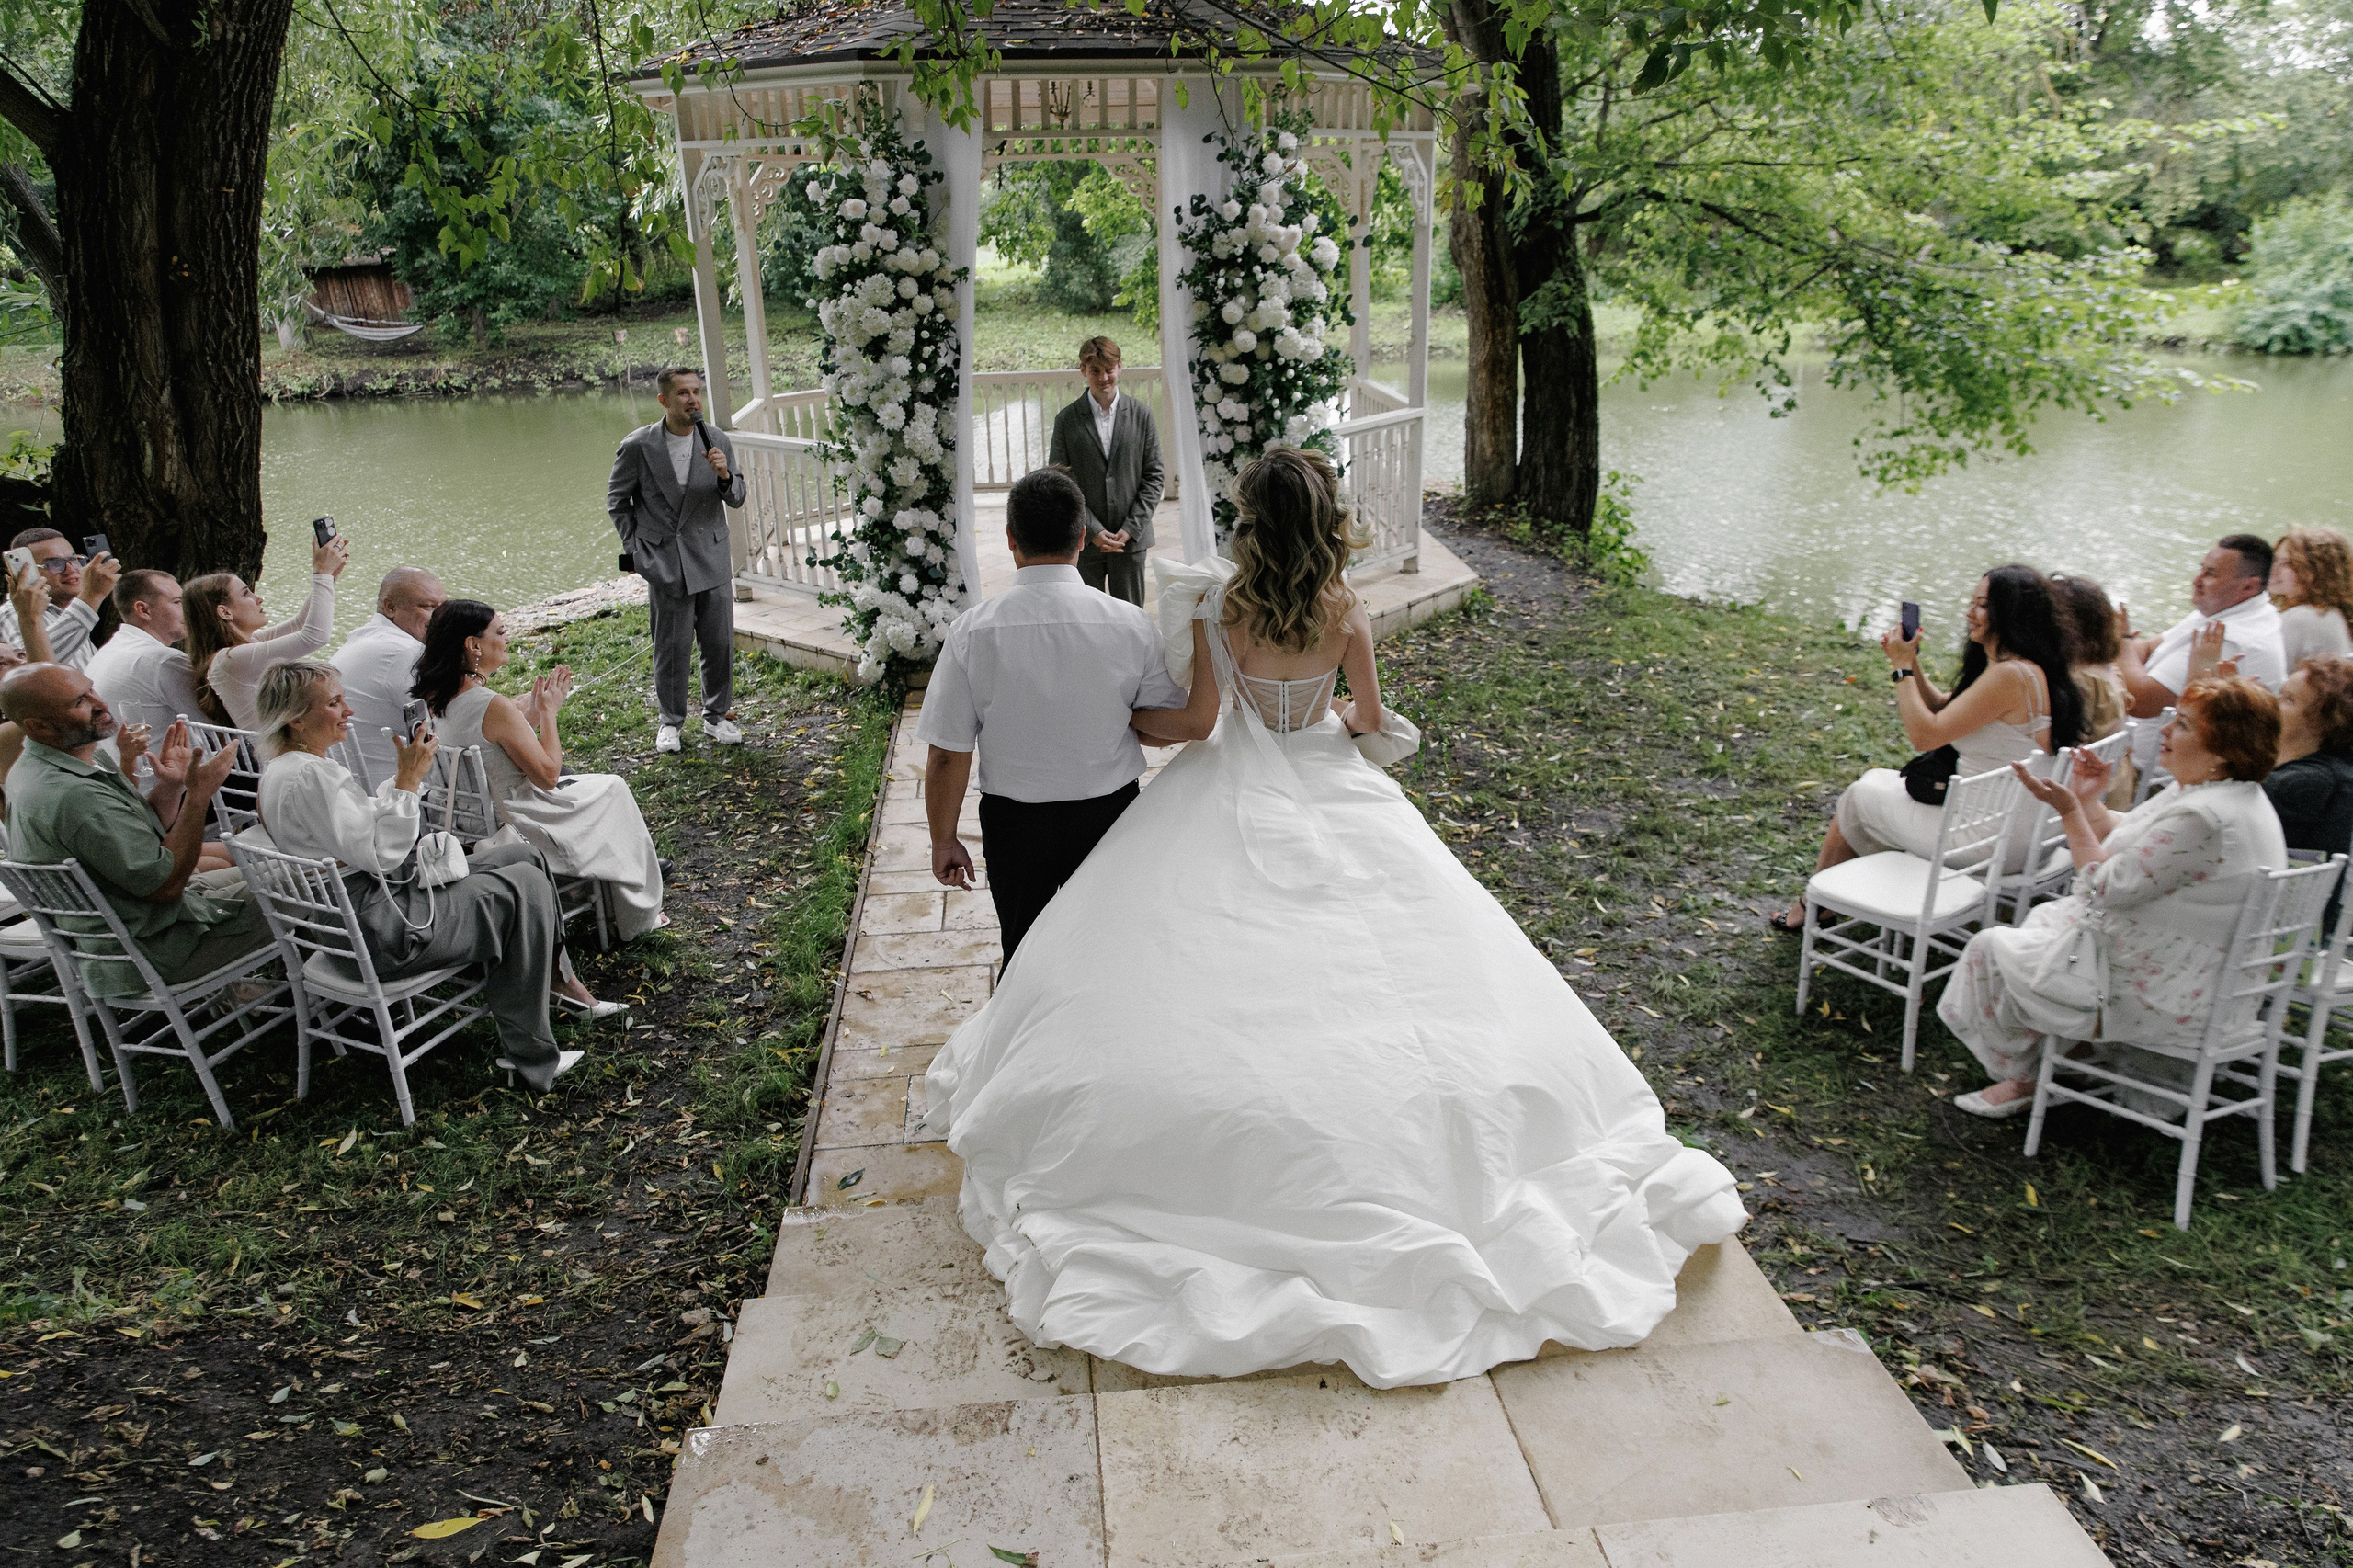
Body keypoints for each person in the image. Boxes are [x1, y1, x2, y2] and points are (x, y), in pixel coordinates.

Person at [921, 448, 1745, 1390]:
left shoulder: (1222, 607)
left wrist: (1134, 728)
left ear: (1250, 524)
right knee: (1395, 961)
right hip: (1324, 771)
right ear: (1324, 520)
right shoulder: (1345, 606)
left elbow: (1198, 716)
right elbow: (1366, 715)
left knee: (1187, 954)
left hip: (1231, 778)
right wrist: (1335, 725)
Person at [252, 663, 618, 1092]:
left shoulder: (283, 769)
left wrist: (407, 778)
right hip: (382, 929)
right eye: (334, 703)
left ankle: (557, 984)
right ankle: (529, 1056)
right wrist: (408, 781)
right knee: (529, 885)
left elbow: (356, 830)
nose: (348, 710)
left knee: (523, 856)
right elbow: (382, 856)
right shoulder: (312, 775)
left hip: (355, 916)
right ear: (296, 718)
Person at [1938, 677, 2289, 1117]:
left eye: (2181, 725)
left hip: (2174, 989)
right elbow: (2135, 847)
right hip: (2200, 971)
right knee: (2049, 921)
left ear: (2222, 750)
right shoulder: (2224, 794)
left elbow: (2104, 888)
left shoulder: (2206, 817)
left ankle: (2026, 1076)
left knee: (1991, 947)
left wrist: (2069, 812)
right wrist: (2090, 802)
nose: (2163, 731)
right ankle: (2066, 1057)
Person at [919, 467, 1187, 965]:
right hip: (1111, 817)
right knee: (1111, 952)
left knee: (1025, 958)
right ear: (1082, 538)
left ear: (1010, 539)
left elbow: (947, 753)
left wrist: (943, 838)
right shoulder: (1130, 623)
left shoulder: (972, 633)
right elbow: (1159, 726)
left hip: (1016, 827)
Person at [1772, 567, 2083, 931]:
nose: (1969, 613)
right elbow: (1943, 708)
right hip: (2026, 836)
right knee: (1876, 782)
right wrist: (1912, 662)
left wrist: (1902, 670)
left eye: (1982, 605)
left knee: (1860, 794)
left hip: (1985, 841)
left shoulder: (2009, 675)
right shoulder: (2028, 670)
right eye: (1972, 602)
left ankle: (1815, 906)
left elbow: (1925, 735)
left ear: (2010, 614)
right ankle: (1836, 899)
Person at [0, 665, 268, 998]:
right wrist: (198, 796)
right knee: (310, 888)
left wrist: (171, 786)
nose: (100, 703)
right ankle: (329, 982)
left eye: (91, 690)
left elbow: (141, 837)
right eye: (79, 702)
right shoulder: (73, 795)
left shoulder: (50, 762)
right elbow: (166, 885)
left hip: (146, 920)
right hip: (154, 950)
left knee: (271, 868)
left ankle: (265, 976)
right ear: (37, 726)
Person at [412, 600, 665, 942]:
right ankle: (636, 909)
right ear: (473, 645)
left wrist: (525, 710)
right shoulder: (491, 705)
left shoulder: (435, 698)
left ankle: (608, 884)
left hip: (470, 819)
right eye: (500, 632)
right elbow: (546, 775)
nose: (507, 639)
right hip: (521, 821)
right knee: (614, 787)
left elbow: (495, 740)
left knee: (600, 787)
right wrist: (548, 713)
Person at [605, 367, 745, 755]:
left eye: (697, 391)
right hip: (665, 561)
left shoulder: (715, 439)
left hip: (711, 555)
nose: (693, 400)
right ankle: (671, 722)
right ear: (664, 401)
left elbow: (736, 497)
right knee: (671, 646)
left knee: (718, 644)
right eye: (683, 393)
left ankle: (717, 717)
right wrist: (636, 550)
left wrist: (724, 478)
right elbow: (618, 502)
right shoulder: (638, 446)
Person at [184, 532, 350, 731]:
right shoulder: (230, 659)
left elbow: (299, 623)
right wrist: (321, 572)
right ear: (225, 612)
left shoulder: (247, 644)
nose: (258, 598)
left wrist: (329, 576)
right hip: (275, 757)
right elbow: (314, 636)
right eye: (246, 593)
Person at [1045, 335, 1165, 606]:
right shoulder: (1066, 420)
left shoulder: (1142, 415)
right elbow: (1060, 482)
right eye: (1095, 371)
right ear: (1083, 371)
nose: (1103, 378)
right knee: (1088, 619)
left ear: (1120, 367)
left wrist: (1132, 527)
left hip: (1131, 541)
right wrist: (1093, 529)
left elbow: (1154, 476)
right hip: (1085, 542)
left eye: (1109, 370)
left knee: (1132, 618)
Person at [2119, 535, 2287, 716]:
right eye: (2202, 569)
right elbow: (2148, 648)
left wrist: (2120, 640)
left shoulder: (2229, 638)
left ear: (2248, 587)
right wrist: (2122, 646)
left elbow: (2140, 701)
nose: (2196, 580)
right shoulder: (2222, 609)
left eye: (2210, 573)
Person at [333, 567, 449, 786]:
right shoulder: (406, 652)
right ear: (390, 607)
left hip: (350, 783)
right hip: (393, 795)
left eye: (444, 607)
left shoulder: (362, 638)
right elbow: (452, 729)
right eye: (428, 607)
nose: (441, 617)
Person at [2051, 572, 2137, 809]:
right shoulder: (2107, 668)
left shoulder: (2081, 680)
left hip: (2091, 797)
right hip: (2116, 784)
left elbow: (2070, 748)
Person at [86, 570, 202, 739]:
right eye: (177, 602)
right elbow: (223, 722)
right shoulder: (163, 660)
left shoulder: (108, 651)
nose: (188, 609)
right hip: (164, 764)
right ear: (143, 610)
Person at [2262, 654, 2353, 858]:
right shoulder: (2338, 766)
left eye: (2289, 700)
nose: (2273, 705)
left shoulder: (2299, 783)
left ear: (2321, 722)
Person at [0, 528, 119, 671]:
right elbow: (33, 669)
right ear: (25, 573)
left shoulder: (68, 611)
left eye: (73, 559)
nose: (70, 569)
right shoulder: (12, 613)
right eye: (54, 564)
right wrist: (91, 596)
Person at [2269, 528, 2353, 674]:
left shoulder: (2300, 618)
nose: (2273, 569)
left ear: (2315, 572)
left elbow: (2269, 680)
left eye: (2287, 564)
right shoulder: (2332, 613)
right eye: (2275, 560)